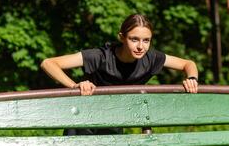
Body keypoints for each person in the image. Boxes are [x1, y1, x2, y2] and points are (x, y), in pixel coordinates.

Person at [40, 14, 198, 135]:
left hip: (114, 123)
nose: (140, 46)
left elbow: (188, 64)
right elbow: (48, 63)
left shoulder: (151, 58)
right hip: (83, 122)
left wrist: (192, 79)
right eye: (134, 39)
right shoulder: (101, 56)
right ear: (122, 37)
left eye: (146, 40)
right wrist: (75, 86)